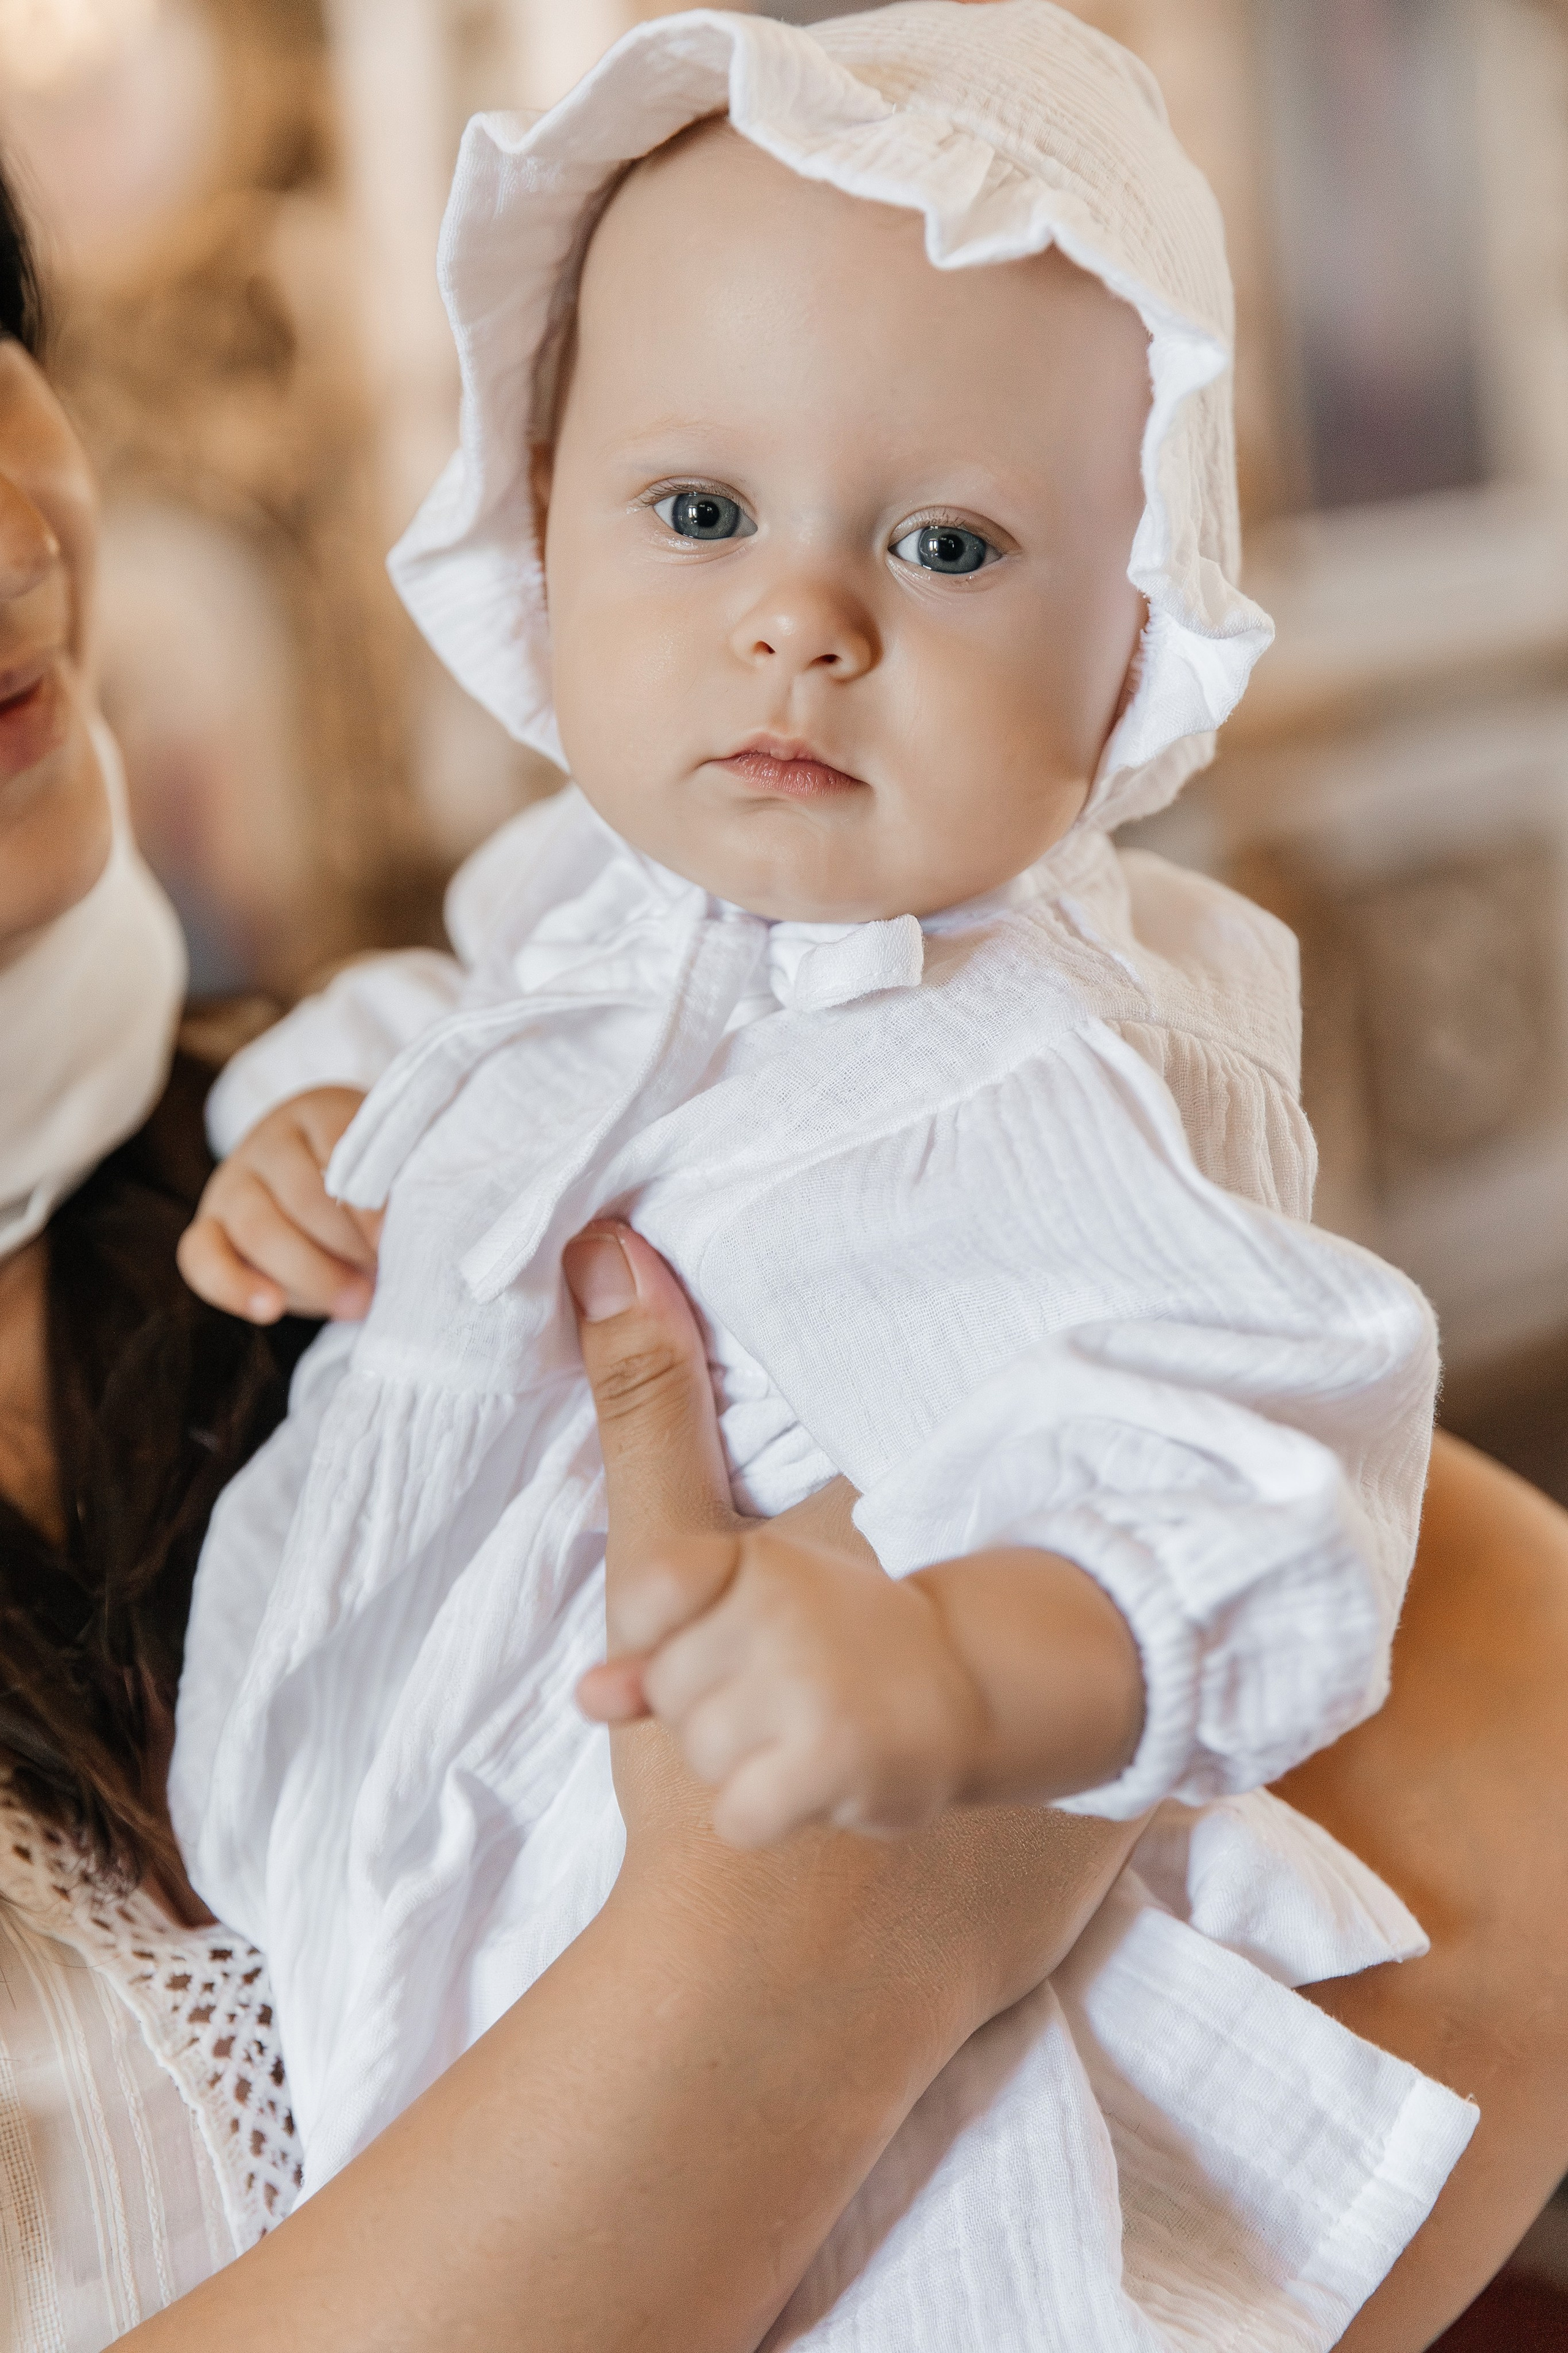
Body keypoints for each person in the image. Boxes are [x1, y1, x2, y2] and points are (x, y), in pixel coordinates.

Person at [0, 37, 1561, 2353]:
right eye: (699, 512)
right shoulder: (591, 932)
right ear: (540, 518)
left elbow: (1287, 1504)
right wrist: (792, 1961)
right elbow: (483, 1042)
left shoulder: (1017, 1051)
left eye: (945, 546)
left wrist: (964, 1673)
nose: (802, 623)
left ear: (1137, 637)